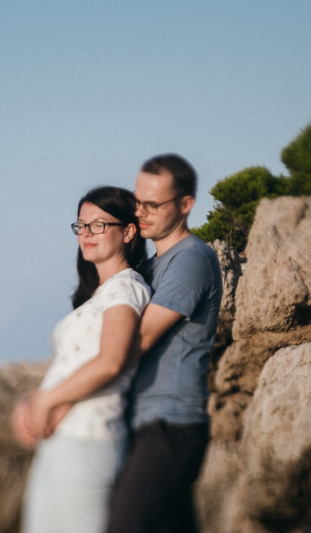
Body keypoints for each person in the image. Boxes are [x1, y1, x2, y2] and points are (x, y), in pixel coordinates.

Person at [14, 185, 152, 533]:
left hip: (88, 440)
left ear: (129, 231)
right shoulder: (100, 295)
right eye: (81, 226)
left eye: (98, 225)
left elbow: (111, 361)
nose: (86, 234)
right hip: (64, 441)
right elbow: (74, 365)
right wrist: (30, 402)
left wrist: (46, 401)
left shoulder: (126, 288)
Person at [107, 154, 222, 533]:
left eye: (153, 205)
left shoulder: (191, 259)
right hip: (150, 421)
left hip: (172, 423)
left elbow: (137, 339)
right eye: (137, 202)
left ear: (186, 204)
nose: (140, 213)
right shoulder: (154, 265)